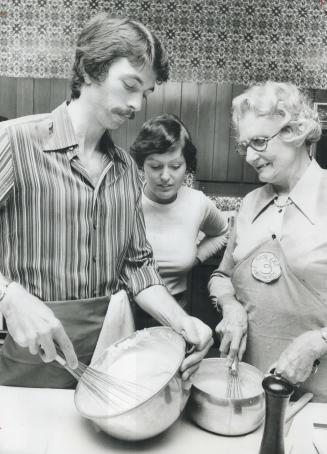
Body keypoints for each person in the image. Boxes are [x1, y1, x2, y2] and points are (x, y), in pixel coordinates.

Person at [0, 13, 213, 388]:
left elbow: (138, 267)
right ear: (89, 69)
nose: (136, 104)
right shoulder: (15, 143)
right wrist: (9, 296)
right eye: (129, 85)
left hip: (110, 353)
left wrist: (180, 321)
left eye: (145, 93)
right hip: (32, 356)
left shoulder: (128, 171)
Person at [208, 81, 327, 402]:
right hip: (248, 388)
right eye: (244, 144)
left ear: (295, 132)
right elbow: (221, 277)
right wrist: (231, 307)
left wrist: (320, 340)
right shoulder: (248, 204)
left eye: (259, 141)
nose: (249, 156)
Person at [130, 113, 228, 316]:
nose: (165, 176)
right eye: (155, 166)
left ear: (187, 166)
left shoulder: (197, 202)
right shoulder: (125, 200)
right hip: (126, 308)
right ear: (141, 165)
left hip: (176, 308)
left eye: (175, 167)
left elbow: (222, 232)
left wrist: (195, 257)